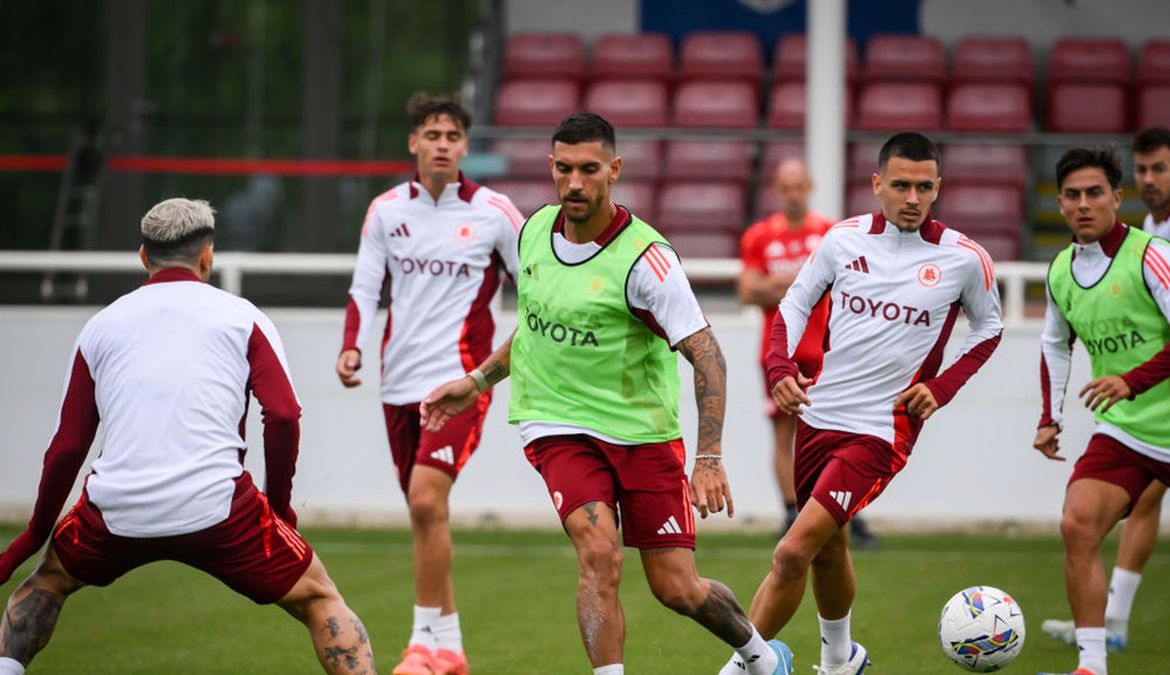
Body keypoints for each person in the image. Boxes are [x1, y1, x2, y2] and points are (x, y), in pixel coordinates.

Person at [421, 113, 793, 675]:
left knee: (677, 588)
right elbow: (538, 329)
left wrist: (709, 457)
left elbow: (708, 355)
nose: (575, 183)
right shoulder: (532, 233)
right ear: (551, 166)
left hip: (642, 433)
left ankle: (761, 658)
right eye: (564, 169)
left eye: (589, 170)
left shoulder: (647, 259)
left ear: (614, 169)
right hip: (557, 424)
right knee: (597, 554)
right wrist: (475, 382)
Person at [0, 199, 376, 675]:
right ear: (207, 256)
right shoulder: (243, 317)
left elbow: (68, 447)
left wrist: (32, 536)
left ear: (143, 256)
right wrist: (280, 510)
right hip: (220, 508)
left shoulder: (99, 327)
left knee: (45, 583)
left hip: (115, 510)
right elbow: (283, 416)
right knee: (321, 599)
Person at [720, 132, 1004, 675]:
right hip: (819, 414)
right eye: (900, 185)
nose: (913, 198)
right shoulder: (842, 239)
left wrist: (942, 387)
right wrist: (780, 366)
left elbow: (989, 328)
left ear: (938, 187)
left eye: (924, 187)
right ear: (877, 184)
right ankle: (840, 659)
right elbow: (795, 302)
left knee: (792, 551)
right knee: (829, 548)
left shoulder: (964, 258)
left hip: (882, 429)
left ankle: (743, 668)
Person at [336, 93, 521, 675]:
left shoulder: (495, 211)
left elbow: (539, 286)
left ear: (465, 147)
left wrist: (504, 363)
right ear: (413, 142)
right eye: (432, 134)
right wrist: (352, 344)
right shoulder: (386, 210)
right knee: (426, 514)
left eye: (452, 136)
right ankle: (452, 650)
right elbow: (365, 287)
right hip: (398, 385)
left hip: (462, 383)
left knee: (423, 500)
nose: (442, 144)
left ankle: (420, 645)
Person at [1032, 146, 1170, 675]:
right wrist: (1049, 417)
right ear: (1060, 203)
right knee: (1078, 523)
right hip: (1125, 432)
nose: (1084, 204)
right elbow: (1055, 344)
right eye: (1073, 195)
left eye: (1095, 193)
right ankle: (1092, 665)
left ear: (1116, 197)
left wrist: (1132, 380)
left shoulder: (1151, 254)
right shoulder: (1061, 271)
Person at [738, 159, 881, 548]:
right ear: (777, 190)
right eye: (787, 188)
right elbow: (748, 291)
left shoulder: (830, 233)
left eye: (799, 187)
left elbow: (849, 285)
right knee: (783, 435)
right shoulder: (759, 236)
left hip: (828, 352)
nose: (794, 195)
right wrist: (806, 282)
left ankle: (847, 511)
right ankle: (791, 512)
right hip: (779, 352)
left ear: (810, 187)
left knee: (842, 433)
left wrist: (778, 285)